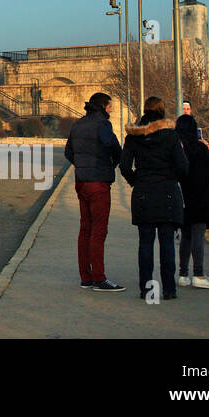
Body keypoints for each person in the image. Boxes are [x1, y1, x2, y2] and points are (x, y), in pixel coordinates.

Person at [120, 96, 189, 302]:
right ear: (162, 110)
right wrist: (172, 178)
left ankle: (146, 289)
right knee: (167, 243)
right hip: (167, 192)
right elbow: (183, 166)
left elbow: (124, 166)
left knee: (145, 243)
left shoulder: (133, 136)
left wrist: (136, 180)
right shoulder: (170, 135)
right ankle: (169, 289)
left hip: (143, 192)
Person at [64, 92, 125, 292]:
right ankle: (99, 278)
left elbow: (68, 152)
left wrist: (82, 166)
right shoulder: (102, 125)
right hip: (98, 182)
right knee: (99, 230)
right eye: (110, 106)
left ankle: (86, 277)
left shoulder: (78, 124)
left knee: (85, 229)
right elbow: (115, 148)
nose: (112, 109)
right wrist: (110, 164)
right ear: (103, 107)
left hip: (81, 181)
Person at [175, 113, 209, 290]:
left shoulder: (177, 148)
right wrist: (207, 146)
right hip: (201, 197)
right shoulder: (200, 149)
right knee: (198, 235)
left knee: (186, 234)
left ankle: (183, 274)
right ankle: (199, 274)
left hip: (183, 197)